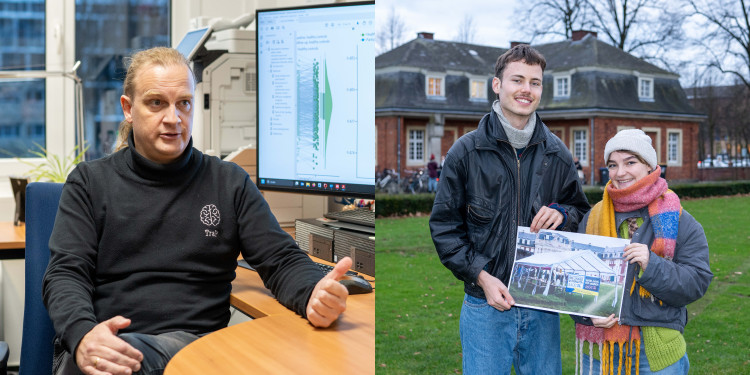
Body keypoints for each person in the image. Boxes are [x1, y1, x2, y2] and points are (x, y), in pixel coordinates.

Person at [42, 47, 351, 375]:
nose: (173, 118)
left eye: (184, 104)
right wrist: (83, 334)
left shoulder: (228, 182)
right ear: (128, 109)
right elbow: (65, 274)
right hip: (107, 344)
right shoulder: (90, 182)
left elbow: (281, 260)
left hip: (196, 348)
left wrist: (314, 292)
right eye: (156, 102)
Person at [429, 44, 590, 374]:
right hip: (485, 305)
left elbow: (580, 212)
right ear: (497, 84)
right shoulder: (466, 152)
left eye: (535, 82)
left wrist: (562, 211)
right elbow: (445, 228)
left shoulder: (557, 153)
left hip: (543, 305)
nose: (526, 90)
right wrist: (481, 276)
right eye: (518, 80)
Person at [572, 129, 712, 375]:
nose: (620, 172)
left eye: (630, 162)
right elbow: (571, 281)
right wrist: (587, 315)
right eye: (613, 164)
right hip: (599, 353)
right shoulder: (592, 218)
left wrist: (652, 265)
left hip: (655, 353)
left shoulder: (679, 220)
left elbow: (697, 282)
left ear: (649, 165)